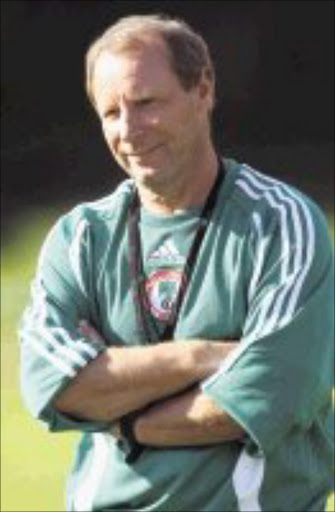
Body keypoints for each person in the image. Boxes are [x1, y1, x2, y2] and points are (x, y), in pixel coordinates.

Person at [20, 13, 334, 512]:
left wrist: (123, 416)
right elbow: (52, 386)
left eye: (146, 104)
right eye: (110, 112)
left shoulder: (280, 224)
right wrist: (202, 357)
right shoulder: (79, 237)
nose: (129, 130)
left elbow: (268, 395)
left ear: (203, 89)